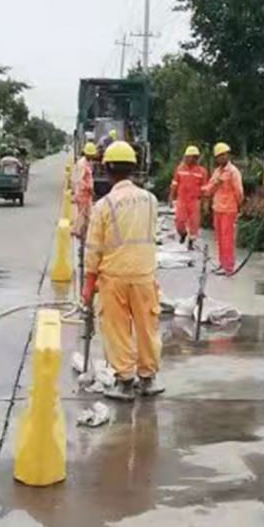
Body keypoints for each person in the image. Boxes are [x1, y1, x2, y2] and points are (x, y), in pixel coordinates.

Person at [83, 141, 163, 402]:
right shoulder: (150, 200)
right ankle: (148, 378)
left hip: (114, 277)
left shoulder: (104, 206)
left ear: (106, 169)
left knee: (117, 329)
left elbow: (93, 248)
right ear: (133, 168)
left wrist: (88, 285)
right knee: (147, 326)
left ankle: (125, 382)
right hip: (144, 275)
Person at [202, 142, 244, 276]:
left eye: (223, 155)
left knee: (228, 239)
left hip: (229, 210)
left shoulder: (233, 172)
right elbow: (209, 188)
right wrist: (203, 191)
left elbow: (239, 191)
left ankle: (229, 267)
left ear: (228, 155)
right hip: (218, 209)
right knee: (219, 239)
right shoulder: (217, 171)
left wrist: (239, 206)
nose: (221, 158)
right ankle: (222, 263)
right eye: (219, 156)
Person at [169, 146, 208, 251]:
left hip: (195, 200)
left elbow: (204, 188)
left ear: (195, 158)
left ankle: (191, 241)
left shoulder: (202, 171)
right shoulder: (180, 169)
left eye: (189, 157)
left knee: (194, 223)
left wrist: (205, 203)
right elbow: (174, 184)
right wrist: (171, 197)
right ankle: (183, 233)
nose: (186, 159)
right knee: (179, 221)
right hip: (182, 199)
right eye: (186, 157)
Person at [72, 142, 97, 238]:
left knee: (87, 213)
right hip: (83, 192)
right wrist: (89, 188)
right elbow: (80, 179)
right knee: (83, 213)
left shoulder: (86, 162)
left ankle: (85, 231)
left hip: (85, 193)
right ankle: (77, 230)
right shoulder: (83, 164)